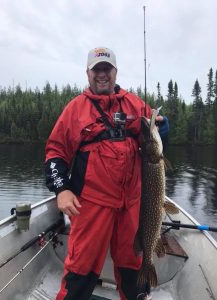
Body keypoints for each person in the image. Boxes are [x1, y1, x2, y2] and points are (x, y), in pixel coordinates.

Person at [45, 47, 169, 300]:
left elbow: (154, 133)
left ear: (115, 72)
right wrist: (62, 189)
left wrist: (162, 127)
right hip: (91, 204)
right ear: (88, 73)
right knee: (80, 267)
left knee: (133, 264)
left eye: (107, 69)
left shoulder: (133, 103)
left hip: (133, 204)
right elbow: (55, 152)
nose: (102, 75)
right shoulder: (75, 110)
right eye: (96, 70)